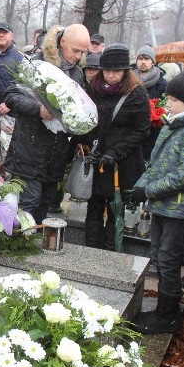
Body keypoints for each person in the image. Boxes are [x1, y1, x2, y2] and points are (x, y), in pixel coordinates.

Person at [128, 71, 184, 334]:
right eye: (169, 98)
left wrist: (149, 191)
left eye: (175, 99)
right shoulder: (172, 125)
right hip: (163, 205)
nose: (169, 103)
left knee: (168, 259)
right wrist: (139, 187)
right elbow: (156, 164)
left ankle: (167, 316)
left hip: (180, 208)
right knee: (158, 256)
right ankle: (164, 311)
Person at [69, 43, 150, 250]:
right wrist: (85, 143)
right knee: (94, 207)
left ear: (125, 71)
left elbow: (141, 130)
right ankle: (91, 250)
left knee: (116, 209)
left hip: (122, 163)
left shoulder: (136, 92)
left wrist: (115, 153)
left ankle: (110, 252)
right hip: (96, 158)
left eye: (116, 71)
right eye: (107, 71)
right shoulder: (93, 87)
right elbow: (87, 120)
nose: (111, 76)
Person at [2, 62, 69, 223]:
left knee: (45, 203)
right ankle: (21, 243)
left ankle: (35, 242)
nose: (78, 55)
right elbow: (12, 96)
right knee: (28, 203)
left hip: (55, 154)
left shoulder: (75, 72)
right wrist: (37, 109)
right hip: (29, 152)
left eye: (81, 52)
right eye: (75, 50)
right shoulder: (35, 65)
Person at [0, 21, 24, 106]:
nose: (1, 35)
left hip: (14, 112)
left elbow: (23, 86)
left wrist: (9, 104)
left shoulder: (21, 57)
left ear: (11, 35)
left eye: (5, 32)